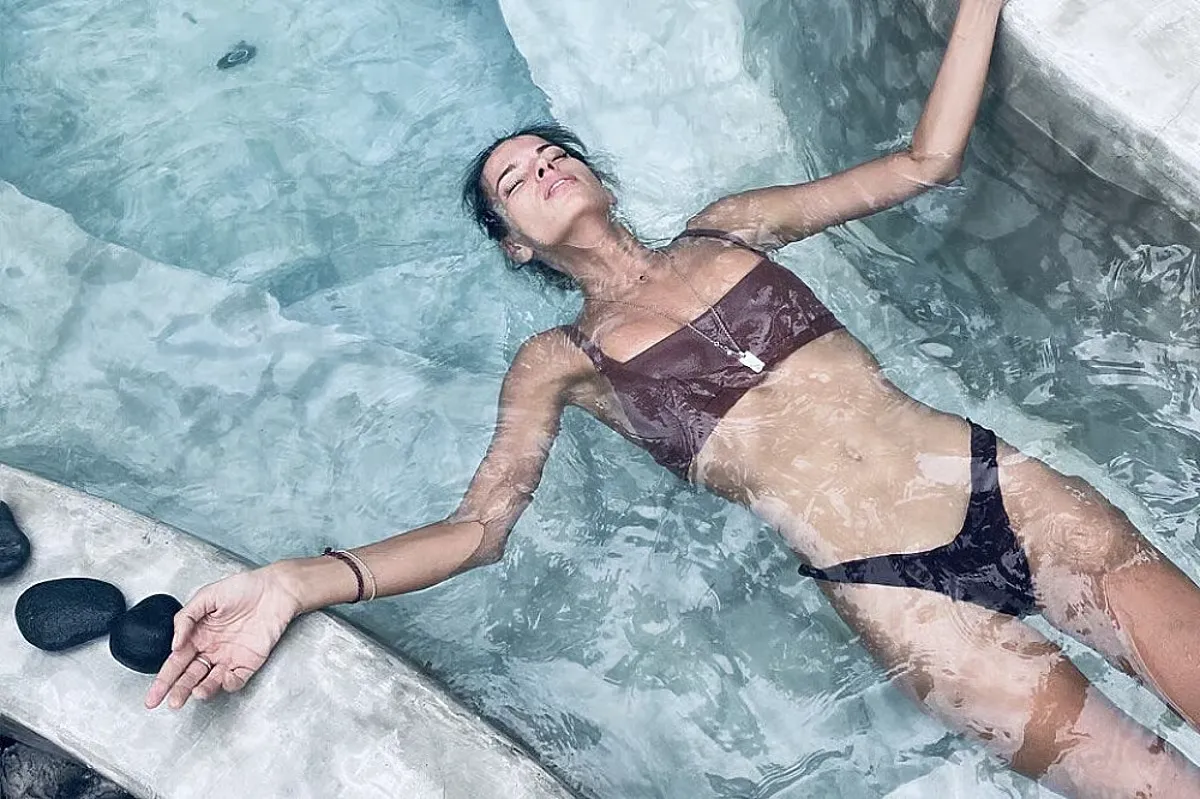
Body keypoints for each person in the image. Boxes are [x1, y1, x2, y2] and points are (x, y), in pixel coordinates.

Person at [145, 0, 1200, 794]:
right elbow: (479, 530)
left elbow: (924, 163)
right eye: (516, 180)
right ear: (516, 245)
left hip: (1000, 489)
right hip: (897, 593)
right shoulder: (559, 360)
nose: (543, 168)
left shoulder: (731, 227)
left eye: (552, 152)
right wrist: (296, 581)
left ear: (596, 176)